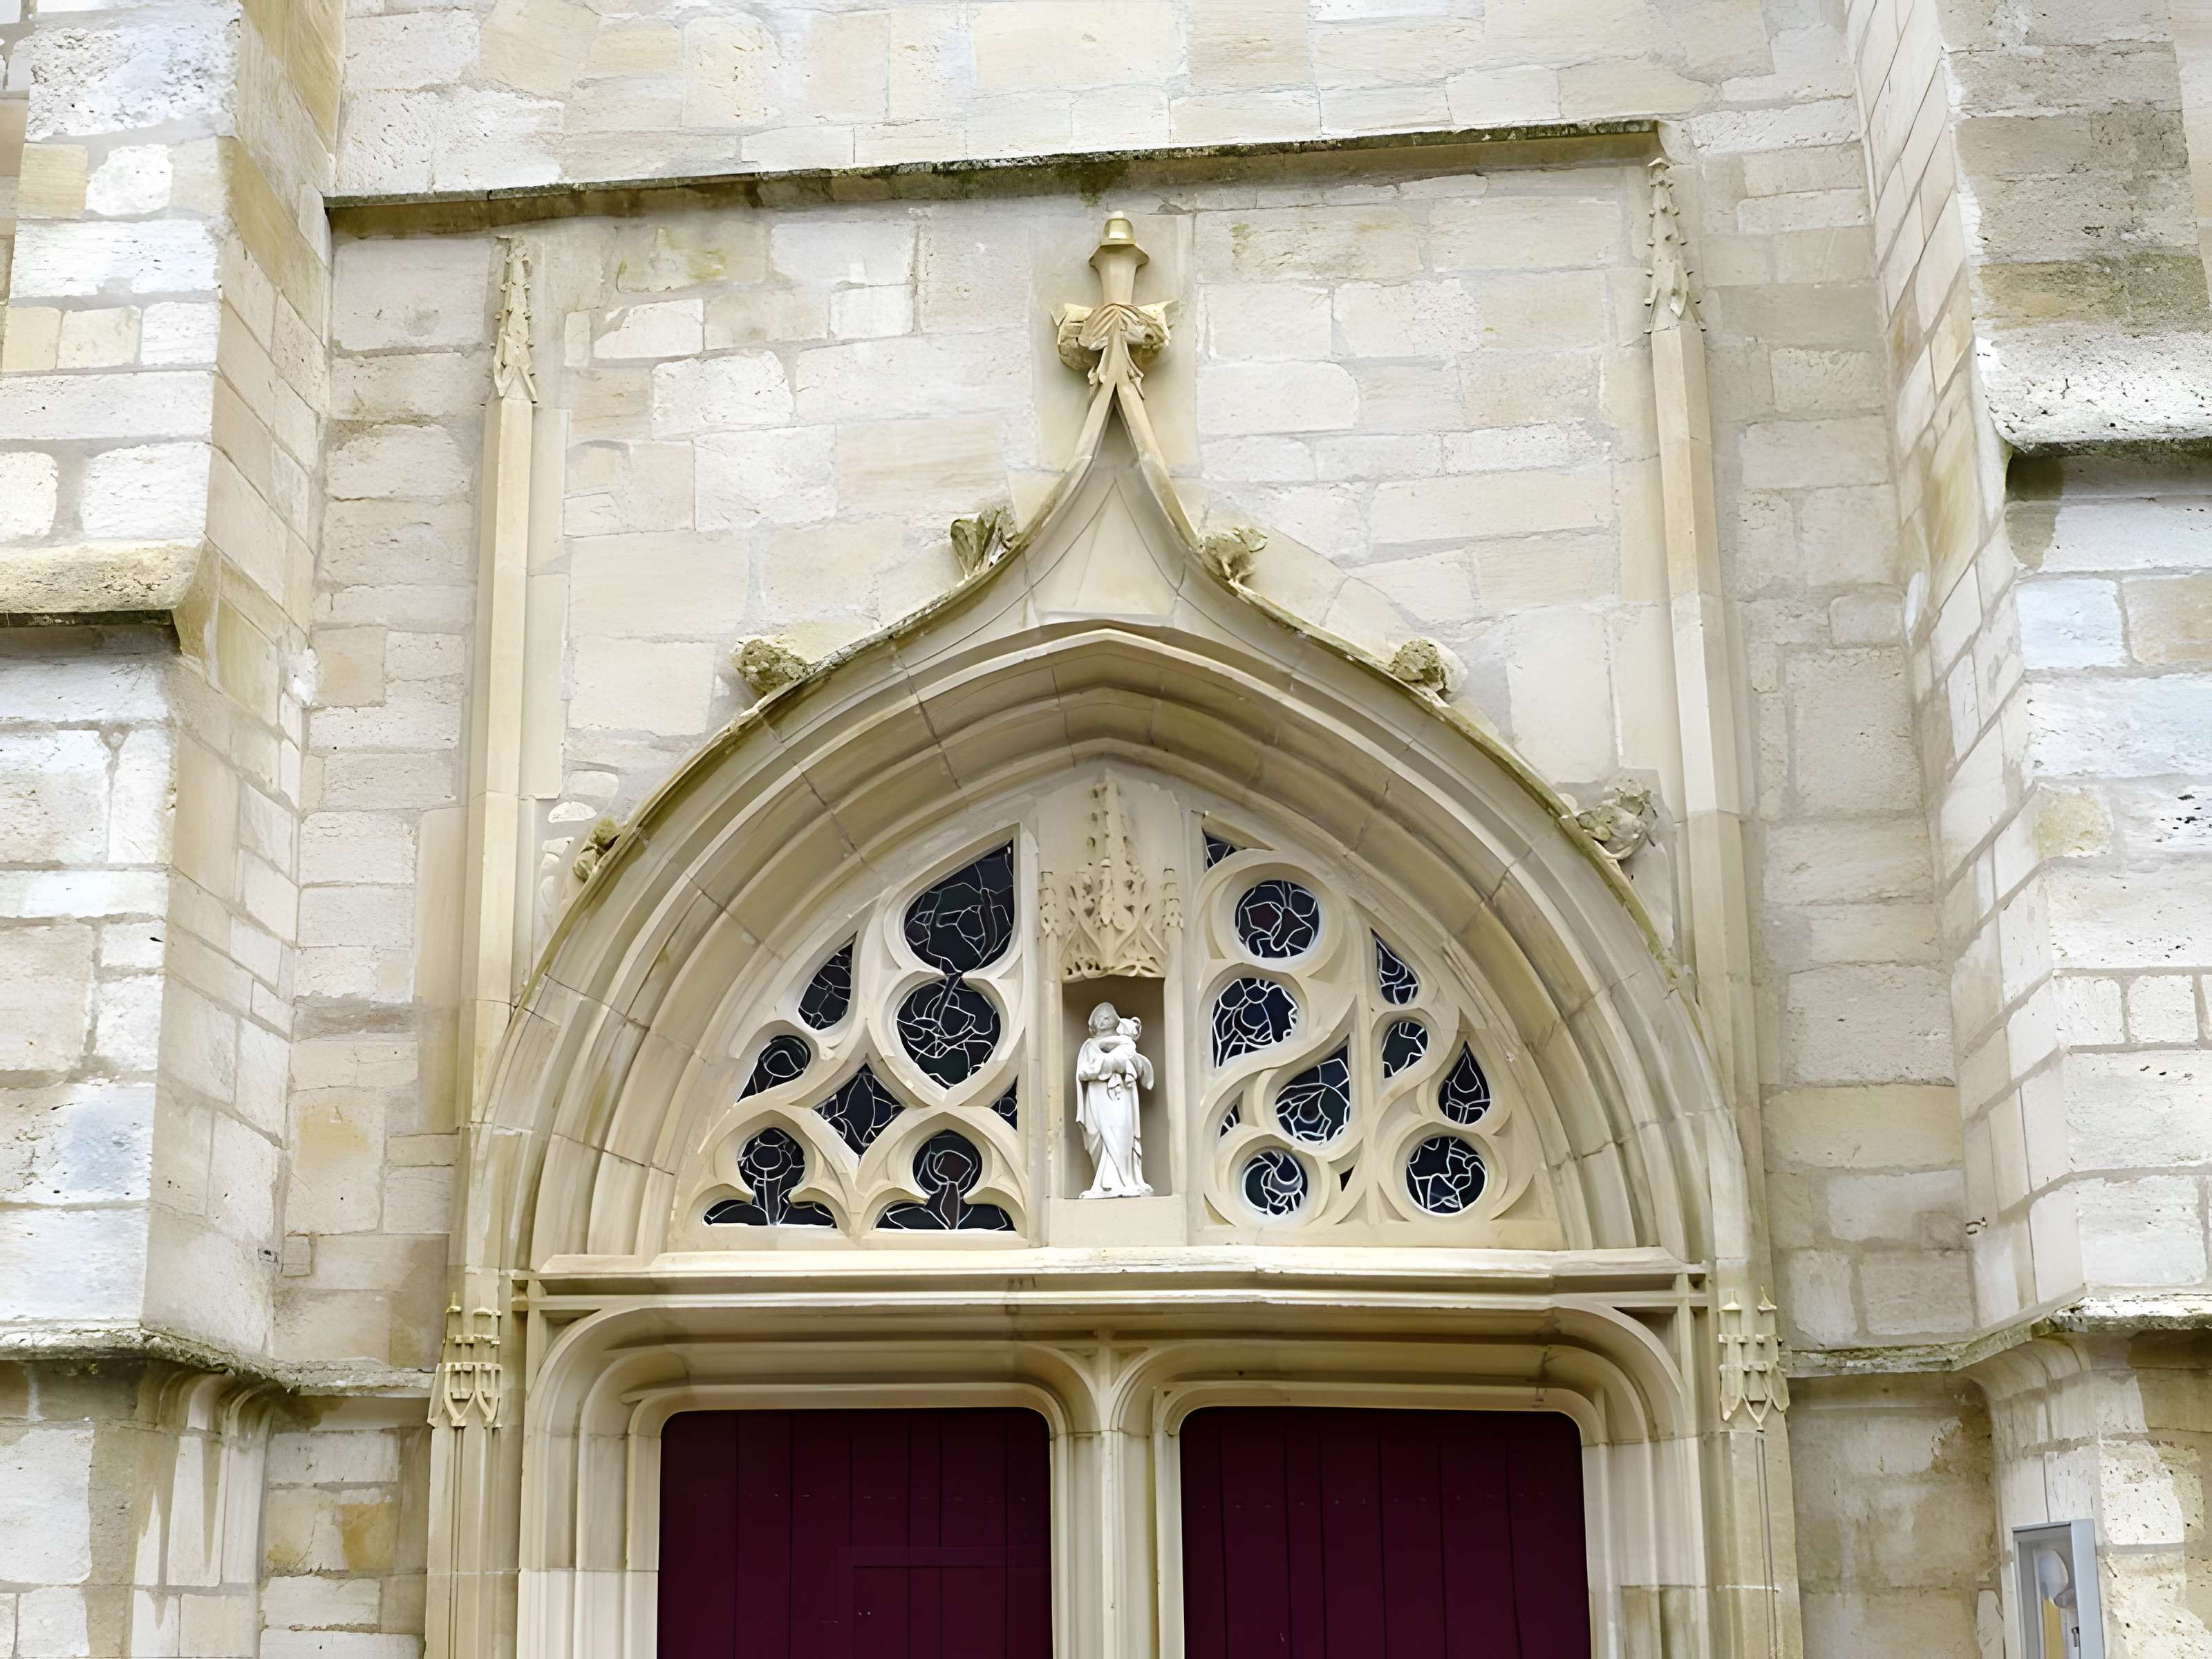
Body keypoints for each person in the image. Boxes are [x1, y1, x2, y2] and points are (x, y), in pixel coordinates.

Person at [1076, 1002, 1152, 1197]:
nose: (1102, 1021)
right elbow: (1086, 1072)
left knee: (1122, 1133)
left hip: (1122, 1096)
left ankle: (1125, 1181)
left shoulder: (1126, 1044)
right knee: (1100, 1135)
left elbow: (1140, 1068)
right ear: (1093, 1023)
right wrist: (1116, 1062)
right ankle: (1103, 1184)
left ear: (1115, 1021)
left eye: (1107, 1017)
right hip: (1100, 1097)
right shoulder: (1090, 1045)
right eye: (1099, 1018)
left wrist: (1123, 1059)